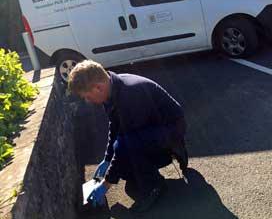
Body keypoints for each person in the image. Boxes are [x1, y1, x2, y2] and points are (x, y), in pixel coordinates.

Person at [68, 60, 188, 213]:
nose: (87, 101)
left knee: (126, 146)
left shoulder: (130, 94)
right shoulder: (110, 91)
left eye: (87, 96)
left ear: (98, 88)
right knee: (122, 160)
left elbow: (127, 142)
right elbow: (116, 126)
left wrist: (105, 184)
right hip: (150, 127)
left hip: (172, 130)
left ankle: (155, 185)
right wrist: (107, 158)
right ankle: (146, 173)